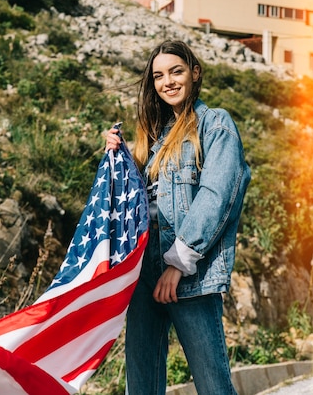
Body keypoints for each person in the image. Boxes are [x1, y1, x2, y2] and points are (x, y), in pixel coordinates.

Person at [106, 39, 251, 395]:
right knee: (140, 388)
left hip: (190, 276)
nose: (167, 81)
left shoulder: (215, 124)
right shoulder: (152, 139)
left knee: (212, 385)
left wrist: (178, 262)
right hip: (143, 275)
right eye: (158, 76)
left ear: (194, 73)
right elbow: (138, 204)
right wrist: (117, 156)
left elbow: (217, 196)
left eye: (176, 71)